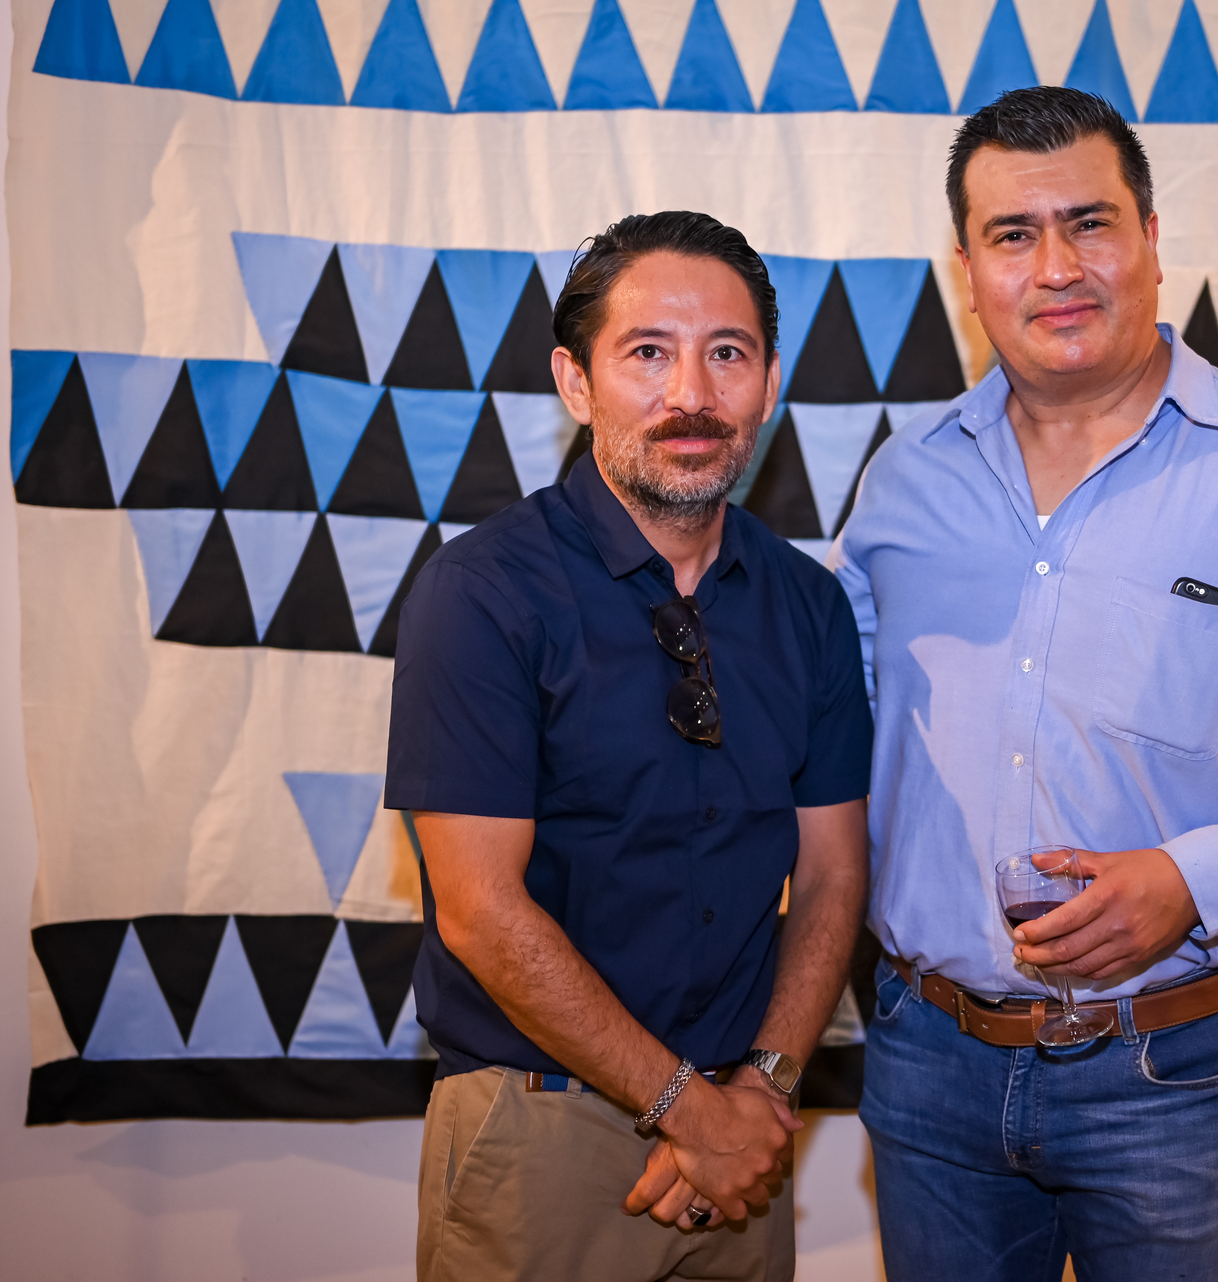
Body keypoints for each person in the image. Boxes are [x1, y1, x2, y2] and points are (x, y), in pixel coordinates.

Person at [831, 87, 1218, 1280]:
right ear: (968, 271)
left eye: (1091, 223)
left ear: (1152, 238)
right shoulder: (902, 483)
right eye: (1013, 235)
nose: (1057, 267)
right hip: (927, 1061)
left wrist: (1195, 880)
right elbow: (832, 731)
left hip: (1169, 1072)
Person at [386, 210, 872, 1282]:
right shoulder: (481, 594)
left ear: (769, 383)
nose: (690, 393)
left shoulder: (810, 606)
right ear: (576, 382)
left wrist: (761, 1092)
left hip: (746, 1139)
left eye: (727, 354)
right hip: (540, 1133)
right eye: (648, 352)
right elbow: (479, 909)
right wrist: (688, 1110)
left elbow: (835, 873)